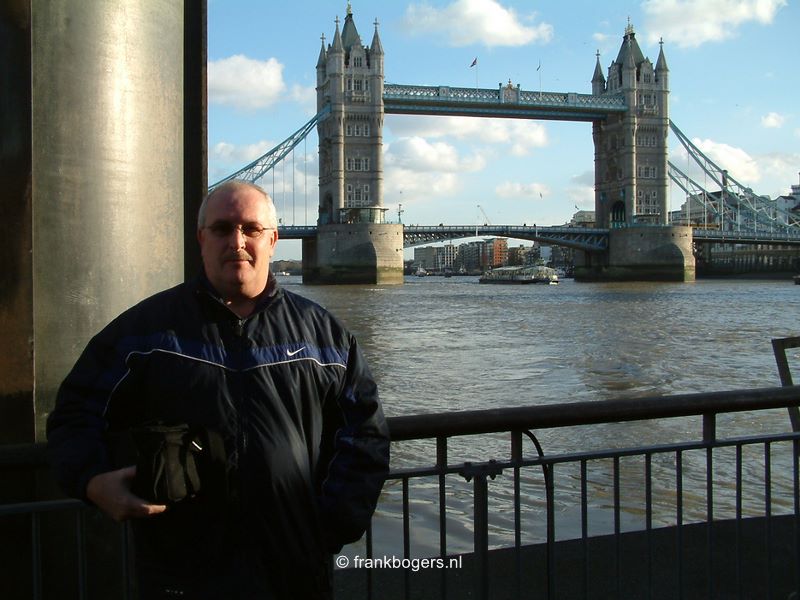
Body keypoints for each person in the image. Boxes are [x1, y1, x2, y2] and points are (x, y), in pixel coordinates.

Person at [46, 180, 390, 599]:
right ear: (201, 239)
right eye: (223, 228)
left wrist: (333, 524)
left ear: (273, 240)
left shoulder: (325, 337)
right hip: (179, 574)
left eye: (251, 229)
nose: (237, 242)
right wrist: (92, 480)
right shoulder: (143, 333)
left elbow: (365, 434)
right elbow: (74, 413)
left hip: (295, 571)